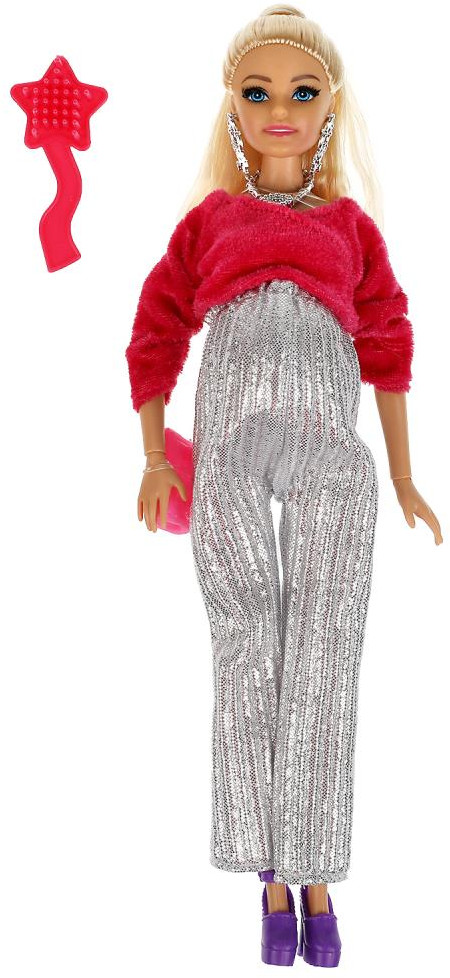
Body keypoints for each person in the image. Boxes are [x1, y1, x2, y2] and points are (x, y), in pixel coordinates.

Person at [125, 5, 443, 967]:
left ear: (329, 107)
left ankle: (316, 876)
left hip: (331, 446)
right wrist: (155, 455)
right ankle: (267, 870)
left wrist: (403, 473)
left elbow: (387, 343)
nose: (280, 110)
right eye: (258, 91)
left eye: (302, 93)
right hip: (227, 442)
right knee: (245, 641)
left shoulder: (350, 229)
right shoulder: (210, 223)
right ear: (231, 104)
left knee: (327, 648)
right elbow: (156, 331)